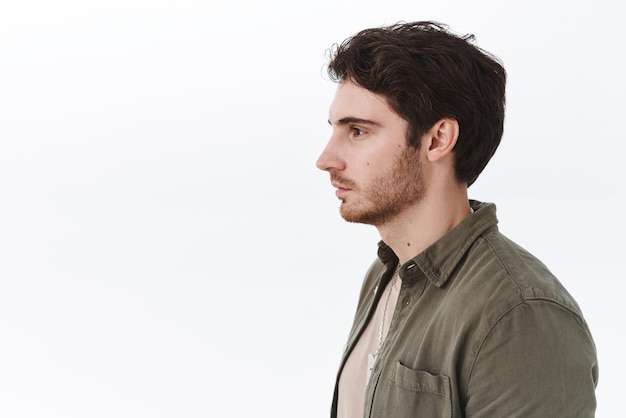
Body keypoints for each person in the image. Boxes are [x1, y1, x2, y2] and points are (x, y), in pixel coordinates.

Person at [316, 21, 598, 418]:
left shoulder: (520, 315)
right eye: (334, 130)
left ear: (437, 139)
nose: (326, 159)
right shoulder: (384, 277)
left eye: (358, 131)